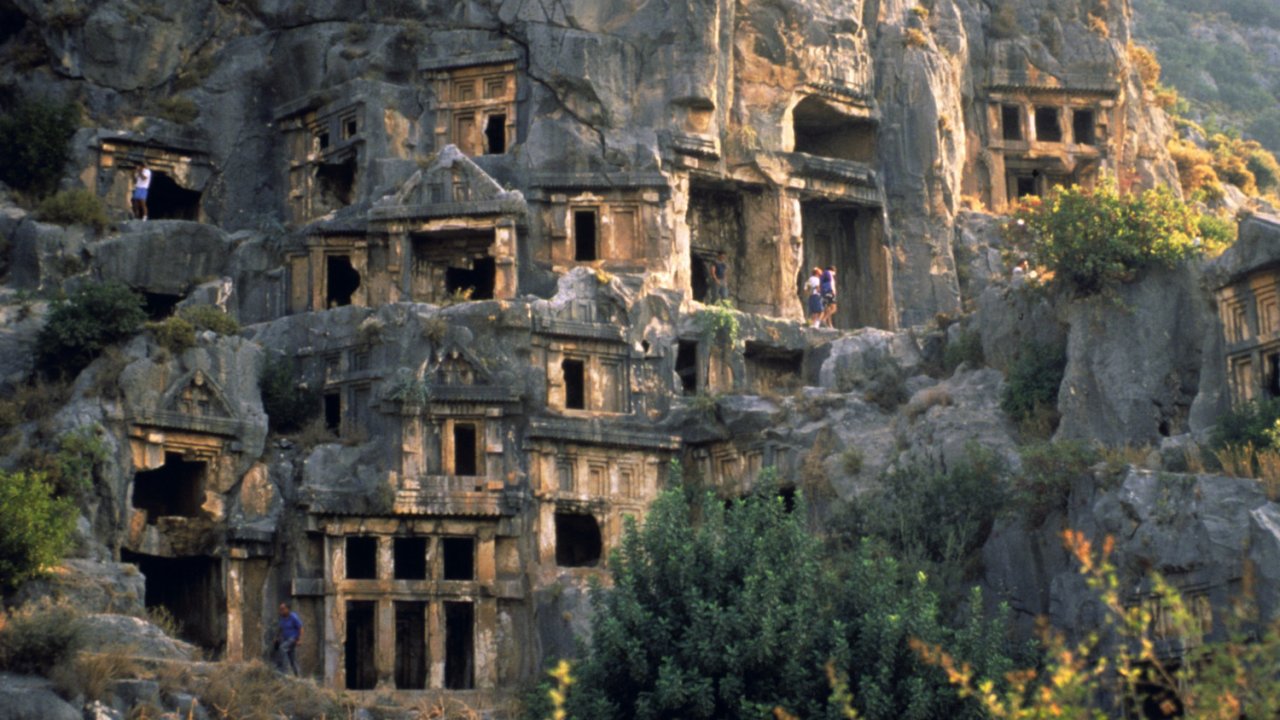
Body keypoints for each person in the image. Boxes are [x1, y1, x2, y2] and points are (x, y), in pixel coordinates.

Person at [274, 602, 303, 676]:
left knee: (282, 648)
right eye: (280, 609)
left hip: (293, 638)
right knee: (292, 658)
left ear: (288, 609)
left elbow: (300, 628)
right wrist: (277, 637)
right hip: (285, 638)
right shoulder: (282, 618)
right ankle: (298, 675)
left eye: (283, 609)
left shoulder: (293, 617)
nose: (282, 611)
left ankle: (284, 671)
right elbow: (280, 628)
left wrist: (299, 639)